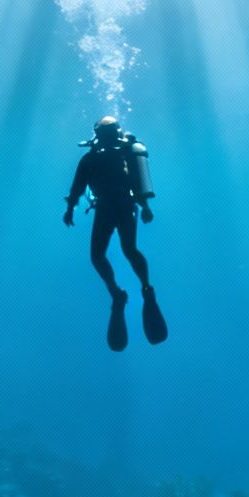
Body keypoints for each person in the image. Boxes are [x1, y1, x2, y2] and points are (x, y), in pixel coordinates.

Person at [64, 116, 167, 350]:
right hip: (117, 208)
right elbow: (79, 187)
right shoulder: (114, 156)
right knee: (123, 251)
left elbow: (78, 188)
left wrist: (70, 208)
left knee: (110, 254)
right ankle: (139, 290)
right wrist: (146, 208)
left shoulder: (107, 157)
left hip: (114, 208)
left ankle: (126, 292)